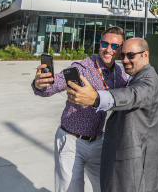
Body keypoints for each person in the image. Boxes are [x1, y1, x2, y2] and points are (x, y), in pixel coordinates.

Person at [32, 26, 128, 192]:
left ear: (120, 49)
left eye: (114, 46)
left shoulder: (119, 74)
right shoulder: (83, 67)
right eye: (104, 43)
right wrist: (39, 85)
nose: (108, 49)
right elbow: (52, 87)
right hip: (71, 141)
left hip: (98, 142)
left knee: (107, 187)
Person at [66, 38, 158, 192]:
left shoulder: (148, 81)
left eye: (131, 55)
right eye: (123, 55)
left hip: (138, 174)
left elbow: (131, 95)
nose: (125, 60)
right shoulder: (135, 77)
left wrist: (96, 98)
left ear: (145, 55)